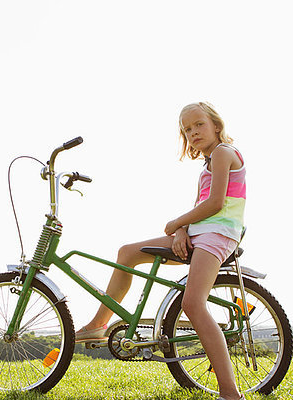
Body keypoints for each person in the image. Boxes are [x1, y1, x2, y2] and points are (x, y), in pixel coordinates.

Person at [75, 102, 246, 400]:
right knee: (127, 252)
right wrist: (181, 230)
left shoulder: (223, 153)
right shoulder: (206, 163)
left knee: (193, 305)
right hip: (198, 232)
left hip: (217, 235)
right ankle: (98, 325)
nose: (193, 132)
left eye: (199, 125)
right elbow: (199, 206)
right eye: (187, 129)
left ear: (216, 125)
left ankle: (230, 394)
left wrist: (177, 223)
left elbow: (216, 204)